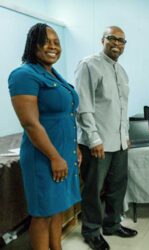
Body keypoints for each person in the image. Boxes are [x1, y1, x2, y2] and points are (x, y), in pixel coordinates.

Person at [8, 23, 81, 250]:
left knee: (57, 208)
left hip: (63, 153)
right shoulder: (24, 75)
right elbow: (30, 123)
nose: (53, 47)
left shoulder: (54, 75)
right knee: (42, 214)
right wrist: (54, 157)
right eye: (46, 41)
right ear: (34, 44)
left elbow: (66, 116)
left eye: (57, 42)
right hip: (44, 157)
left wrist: (74, 148)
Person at [75, 26, 137, 250]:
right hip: (97, 143)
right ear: (103, 39)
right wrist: (93, 139)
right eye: (112, 38)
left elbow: (121, 107)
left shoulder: (121, 71)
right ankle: (91, 231)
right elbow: (84, 106)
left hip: (119, 142)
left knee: (117, 187)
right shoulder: (89, 65)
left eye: (122, 40)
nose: (117, 43)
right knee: (93, 188)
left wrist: (126, 135)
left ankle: (112, 224)